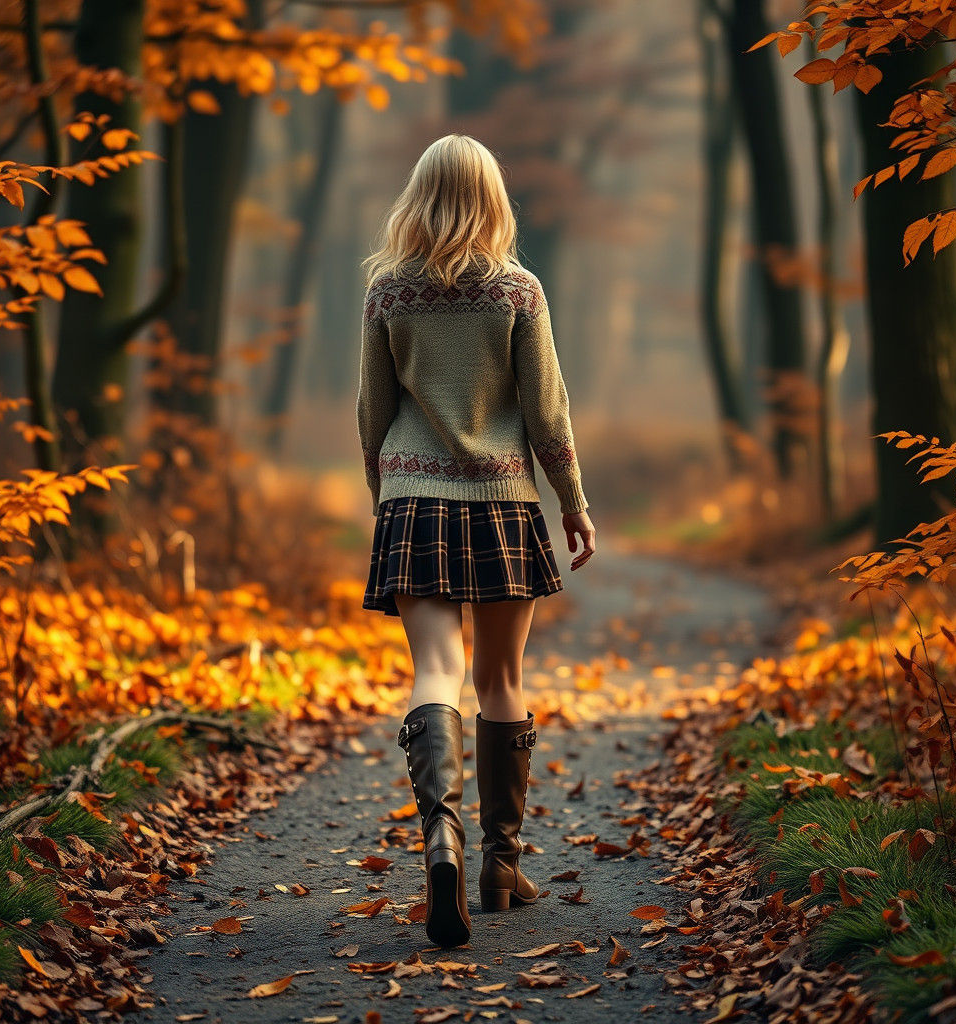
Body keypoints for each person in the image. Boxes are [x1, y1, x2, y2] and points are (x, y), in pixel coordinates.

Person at [356, 134, 596, 948]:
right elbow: (548, 414)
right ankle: (502, 863)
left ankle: (441, 841)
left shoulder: (388, 293)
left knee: (435, 671)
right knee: (500, 677)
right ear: (494, 198)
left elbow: (372, 413)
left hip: (411, 500)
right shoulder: (520, 293)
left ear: (418, 196)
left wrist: (383, 492)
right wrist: (574, 502)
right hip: (499, 501)